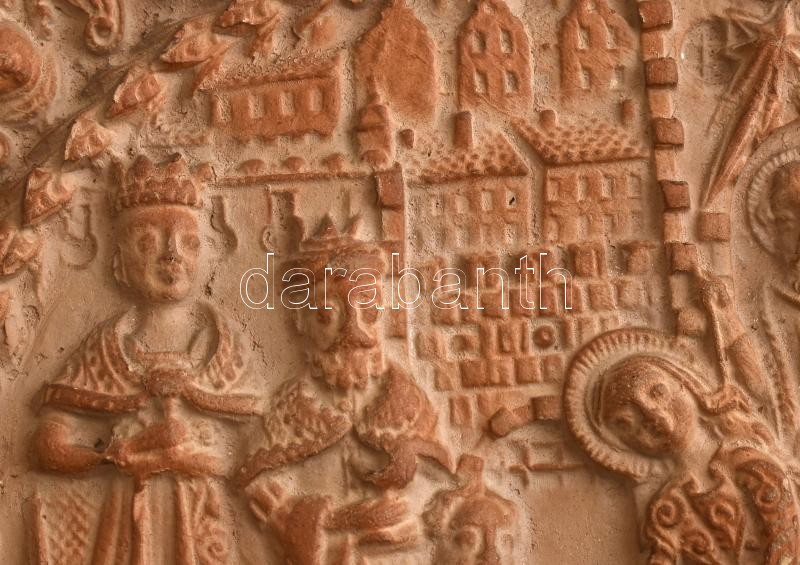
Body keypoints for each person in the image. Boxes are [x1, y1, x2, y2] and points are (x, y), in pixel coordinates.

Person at [31, 154, 259, 564]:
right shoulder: (105, 349)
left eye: (187, 242)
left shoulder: (223, 345)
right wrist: (110, 456)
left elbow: (257, 440)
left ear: (205, 255)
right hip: (128, 515)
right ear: (118, 263)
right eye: (147, 241)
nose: (171, 255)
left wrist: (199, 455)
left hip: (206, 520)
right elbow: (48, 443)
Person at [236, 215, 452, 564]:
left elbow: (440, 490)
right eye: (327, 314)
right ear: (300, 322)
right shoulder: (288, 413)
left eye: (367, 309)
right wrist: (328, 522)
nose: (354, 331)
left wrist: (407, 518)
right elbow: (259, 495)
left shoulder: (409, 403)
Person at [564, 328, 799, 564]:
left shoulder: (748, 465)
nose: (653, 415)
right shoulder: (666, 510)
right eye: (626, 421)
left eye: (658, 392)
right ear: (618, 444)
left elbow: (787, 542)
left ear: (688, 384)